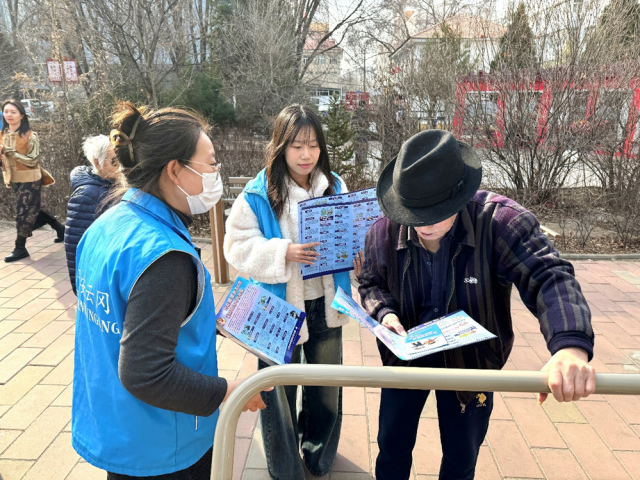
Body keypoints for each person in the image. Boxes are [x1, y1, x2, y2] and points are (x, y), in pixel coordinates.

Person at [359, 129, 596, 480]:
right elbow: (371, 282)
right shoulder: (383, 231)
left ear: (460, 195)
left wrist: (570, 347)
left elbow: (549, 276)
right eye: (414, 213)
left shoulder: (501, 223)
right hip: (405, 355)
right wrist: (385, 312)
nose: (424, 224)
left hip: (471, 361)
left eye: (436, 211)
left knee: (461, 456)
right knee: (392, 446)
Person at [71, 102, 266, 480]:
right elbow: (145, 373)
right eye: (211, 164)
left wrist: (208, 318)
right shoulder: (165, 257)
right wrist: (229, 391)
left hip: (120, 427)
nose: (216, 174)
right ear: (175, 170)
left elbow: (131, 318)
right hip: (164, 444)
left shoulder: (107, 225)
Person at [224, 104, 355, 479]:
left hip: (325, 302)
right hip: (277, 307)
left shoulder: (334, 186)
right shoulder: (259, 192)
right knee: (277, 391)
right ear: (280, 146)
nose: (305, 154)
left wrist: (355, 251)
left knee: (326, 387)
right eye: (297, 145)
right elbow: (236, 246)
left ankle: (318, 456)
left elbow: (347, 235)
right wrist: (284, 252)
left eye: (313, 145)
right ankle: (283, 467)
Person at [1, 99, 65, 262]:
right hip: (13, 178)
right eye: (6, 111)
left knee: (23, 212)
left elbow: (32, 160)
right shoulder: (2, 134)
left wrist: (9, 152)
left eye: (13, 112)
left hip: (31, 178)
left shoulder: (30, 135)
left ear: (22, 115)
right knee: (33, 209)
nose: (9, 115)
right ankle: (60, 228)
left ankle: (20, 248)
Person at [65, 135, 119, 295]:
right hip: (101, 279)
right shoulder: (87, 195)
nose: (122, 168)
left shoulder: (115, 185)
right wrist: (80, 289)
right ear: (97, 162)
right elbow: (75, 246)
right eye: (115, 162)